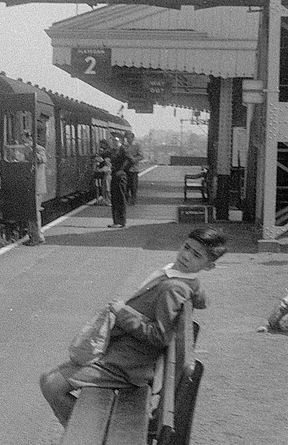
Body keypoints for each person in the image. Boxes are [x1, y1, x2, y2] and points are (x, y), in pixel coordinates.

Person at [39, 227, 228, 426]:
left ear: (209, 266)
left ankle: (89, 439)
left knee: (52, 385)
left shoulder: (173, 288)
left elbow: (160, 337)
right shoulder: (182, 279)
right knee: (48, 380)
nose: (186, 255)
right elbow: (198, 297)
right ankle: (86, 432)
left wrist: (122, 313)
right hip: (123, 357)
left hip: (127, 366)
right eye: (186, 247)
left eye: (196, 255)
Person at [25, 132, 47, 246]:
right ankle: (33, 235)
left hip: (37, 186)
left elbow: (42, 159)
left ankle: (38, 236)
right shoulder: (28, 149)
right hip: (31, 185)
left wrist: (31, 151)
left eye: (26, 138)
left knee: (34, 211)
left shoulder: (39, 149)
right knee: (31, 212)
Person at [107, 136, 132, 228]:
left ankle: (121, 222)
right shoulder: (113, 151)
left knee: (121, 198)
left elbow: (130, 160)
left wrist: (122, 170)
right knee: (114, 199)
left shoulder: (124, 150)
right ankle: (115, 221)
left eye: (116, 140)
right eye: (113, 140)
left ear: (120, 141)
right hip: (114, 176)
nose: (114, 142)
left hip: (121, 177)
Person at [124, 132, 144, 205]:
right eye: (127, 138)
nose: (128, 139)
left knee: (133, 186)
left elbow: (141, 156)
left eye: (129, 138)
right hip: (125, 168)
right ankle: (126, 200)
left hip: (134, 168)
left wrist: (134, 159)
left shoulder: (137, 145)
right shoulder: (124, 146)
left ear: (133, 138)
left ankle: (133, 200)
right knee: (126, 185)